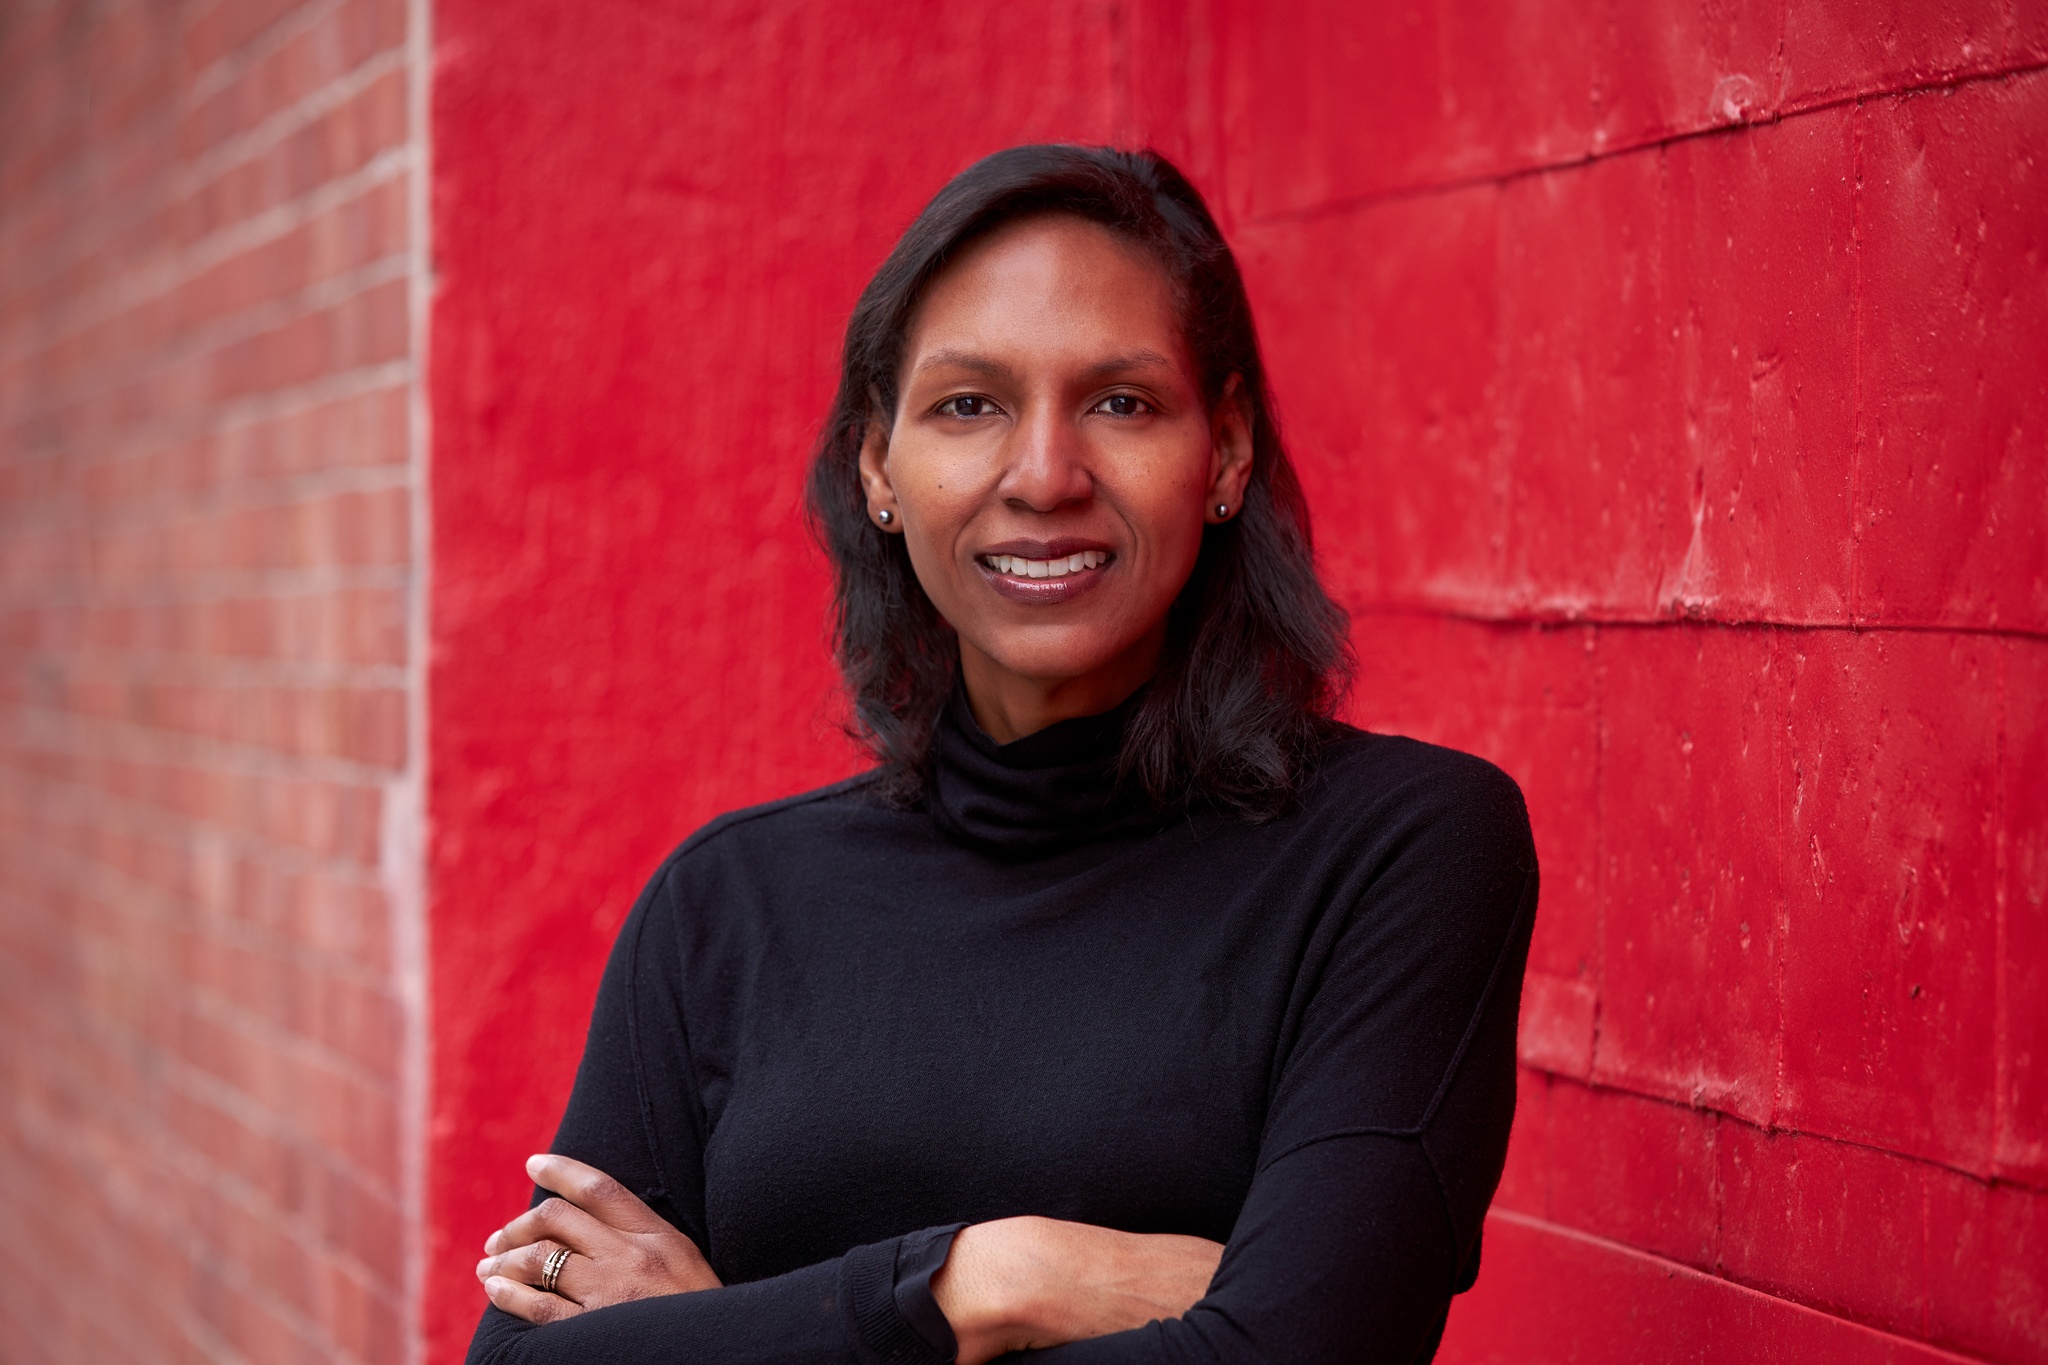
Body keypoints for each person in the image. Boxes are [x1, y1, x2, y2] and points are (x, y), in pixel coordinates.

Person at [465, 144, 1537, 1365]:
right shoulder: (726, 906)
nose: (1044, 476)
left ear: (1226, 452)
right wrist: (989, 1280)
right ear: (879, 463)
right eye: (968, 403)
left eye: (1120, 402)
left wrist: (718, 1335)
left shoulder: (1401, 854)